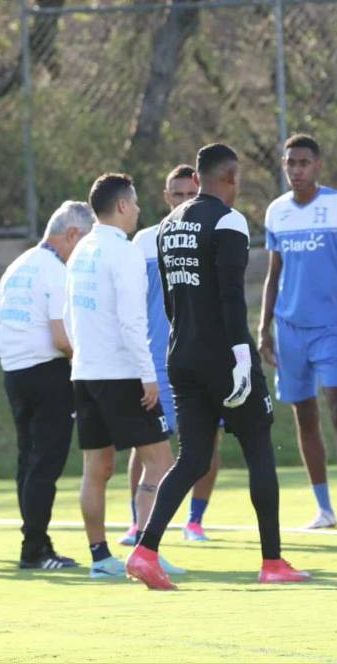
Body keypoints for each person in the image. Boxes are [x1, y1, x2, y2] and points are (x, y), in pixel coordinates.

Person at [126, 143, 309, 589]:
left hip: (181, 353)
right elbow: (231, 298)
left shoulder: (167, 225)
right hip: (224, 356)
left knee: (191, 458)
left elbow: (171, 300)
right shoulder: (229, 221)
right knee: (258, 447)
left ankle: (145, 550)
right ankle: (272, 562)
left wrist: (187, 342)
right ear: (228, 176)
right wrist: (241, 358)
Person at [65, 173, 179, 579]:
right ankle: (148, 550)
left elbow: (69, 315)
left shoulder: (80, 251)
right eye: (135, 203)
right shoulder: (125, 253)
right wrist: (147, 376)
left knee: (96, 467)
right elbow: (132, 321)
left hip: (85, 372)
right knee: (162, 460)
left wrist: (84, 356)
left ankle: (100, 559)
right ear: (123, 206)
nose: (139, 211)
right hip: (122, 374)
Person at [259, 134, 337, 531]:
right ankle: (323, 509)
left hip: (330, 329)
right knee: (304, 416)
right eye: (290, 163)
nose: (296, 170)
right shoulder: (276, 212)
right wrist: (264, 330)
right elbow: (274, 275)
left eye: (303, 163)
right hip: (288, 330)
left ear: (318, 166)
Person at [121, 165, 220, 545]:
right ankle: (137, 522)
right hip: (153, 361)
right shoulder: (143, 242)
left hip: (200, 357)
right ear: (166, 198)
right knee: (146, 443)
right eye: (175, 196)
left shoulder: (211, 235)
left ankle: (194, 520)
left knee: (205, 440)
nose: (183, 202)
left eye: (189, 195)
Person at [0, 200, 94, 569]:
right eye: (83, 242)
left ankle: (34, 540)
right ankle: (34, 547)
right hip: (47, 373)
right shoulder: (55, 272)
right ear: (71, 235)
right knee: (45, 464)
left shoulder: (17, 266)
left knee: (28, 460)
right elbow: (61, 337)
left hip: (15, 372)